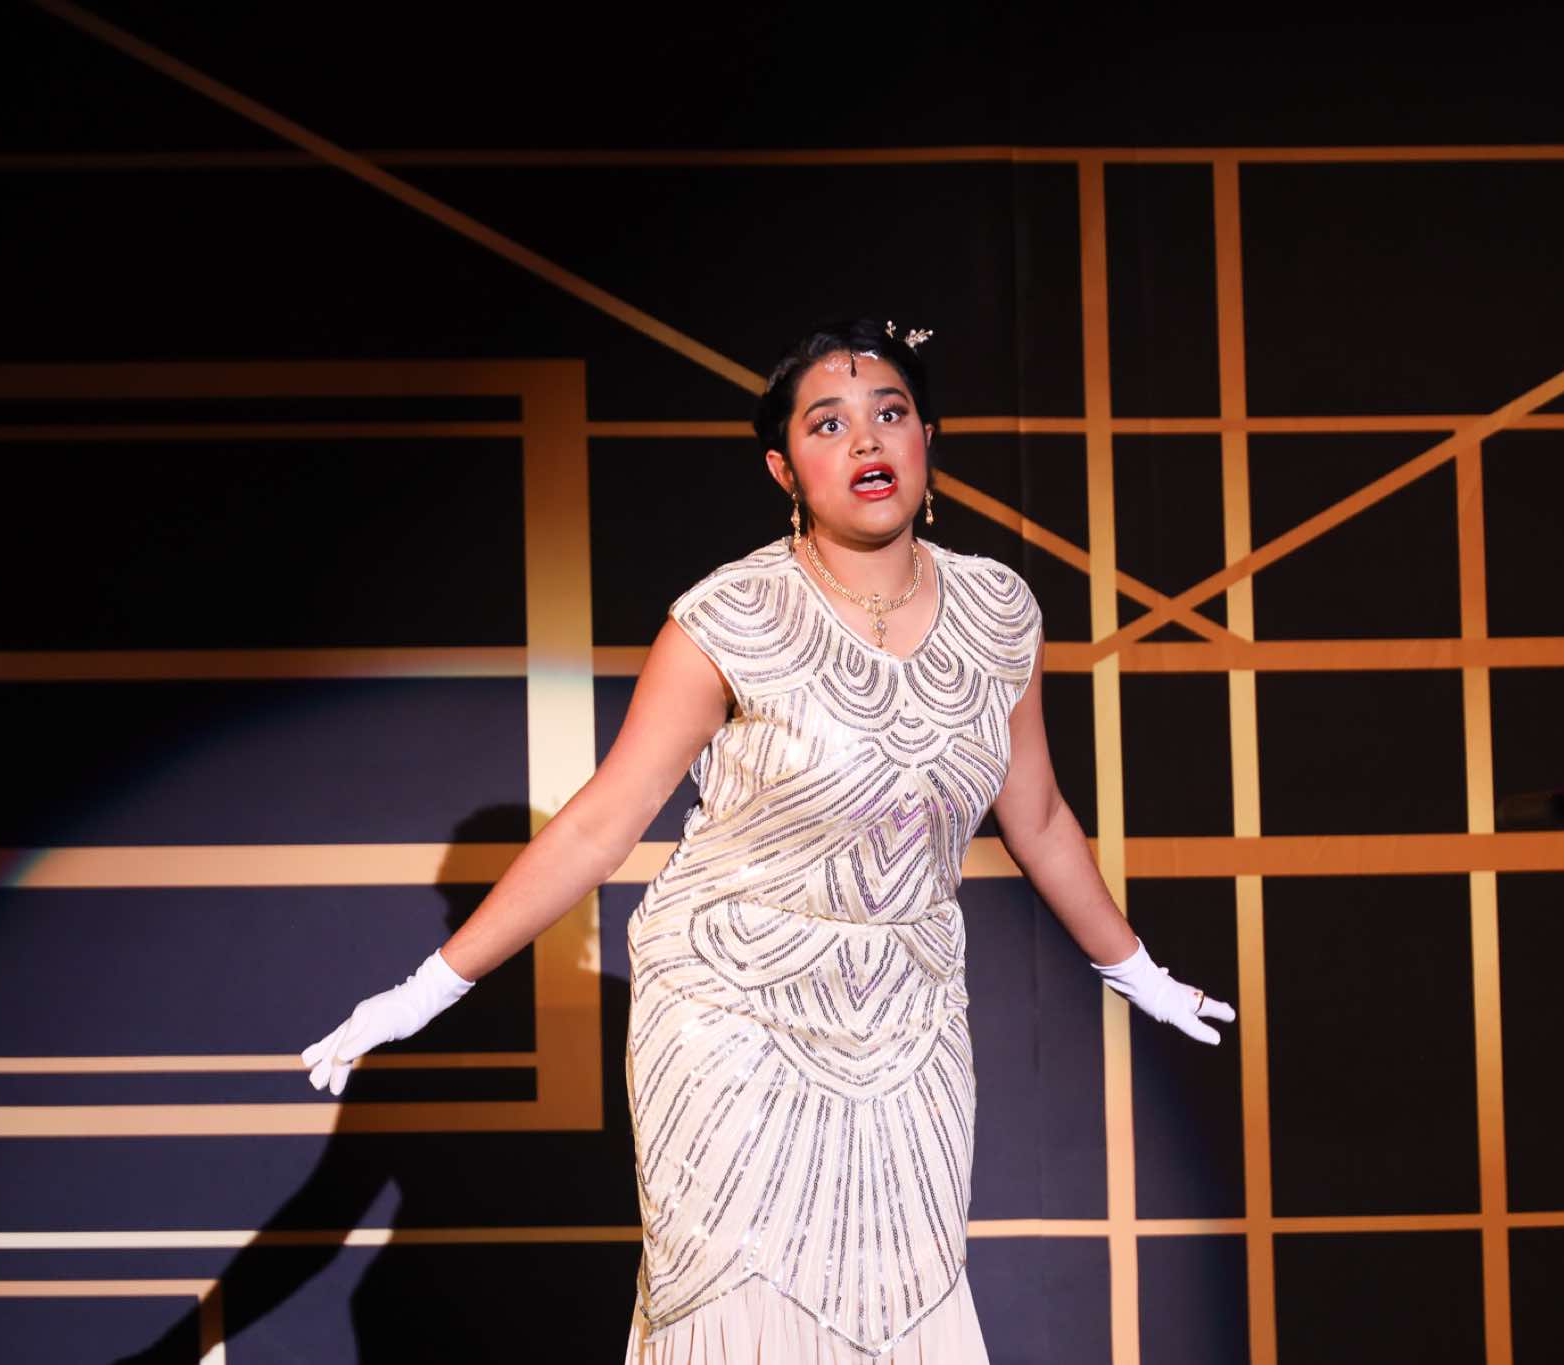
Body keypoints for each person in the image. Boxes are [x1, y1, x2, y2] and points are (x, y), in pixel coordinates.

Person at [301, 317, 1237, 1362]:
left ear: (927, 441)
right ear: (784, 470)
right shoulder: (728, 617)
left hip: (908, 1014)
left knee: (903, 1302)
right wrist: (428, 988)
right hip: (727, 1011)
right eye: (827, 424)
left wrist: (1134, 971)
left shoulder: (1000, 610)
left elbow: (1039, 815)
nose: (865, 440)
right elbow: (605, 821)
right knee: (737, 1309)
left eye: (889, 413)